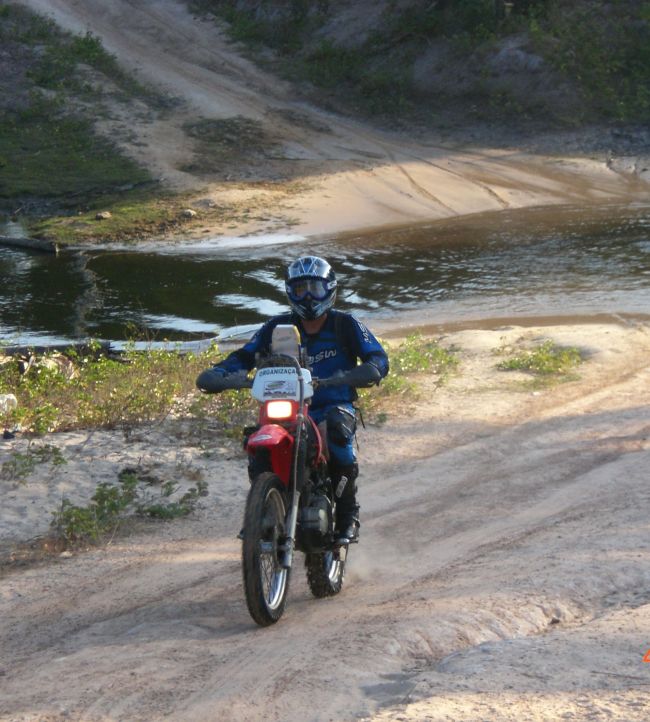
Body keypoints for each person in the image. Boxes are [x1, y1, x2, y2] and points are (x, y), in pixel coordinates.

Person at [196, 255, 389, 543]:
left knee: (338, 436)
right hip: (286, 405)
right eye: (300, 290)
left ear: (330, 289)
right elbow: (243, 356)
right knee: (257, 441)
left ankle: (348, 515)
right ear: (290, 292)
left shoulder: (346, 324)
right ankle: (263, 509)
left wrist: (366, 371)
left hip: (330, 405)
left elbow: (378, 357)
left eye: (315, 288)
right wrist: (220, 373)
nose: (308, 296)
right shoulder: (275, 328)